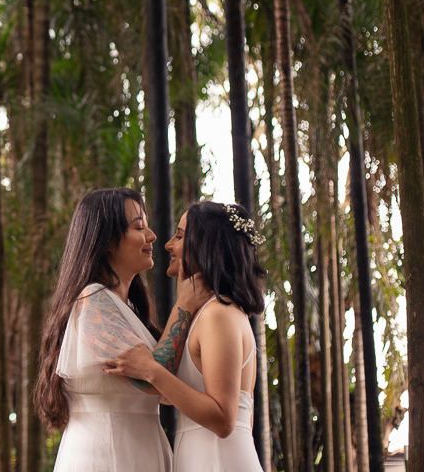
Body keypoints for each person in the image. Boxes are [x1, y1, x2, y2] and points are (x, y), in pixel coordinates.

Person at [36, 188, 210, 472]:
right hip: (107, 453)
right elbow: (151, 380)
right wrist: (185, 306)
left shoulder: (124, 308)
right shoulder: (92, 300)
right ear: (106, 240)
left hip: (137, 449)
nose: (152, 236)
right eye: (139, 227)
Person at [104, 201, 266, 472]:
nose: (168, 244)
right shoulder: (210, 313)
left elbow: (225, 419)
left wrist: (151, 370)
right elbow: (178, 395)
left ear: (206, 244)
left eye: (179, 236)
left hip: (218, 461)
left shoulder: (218, 315)